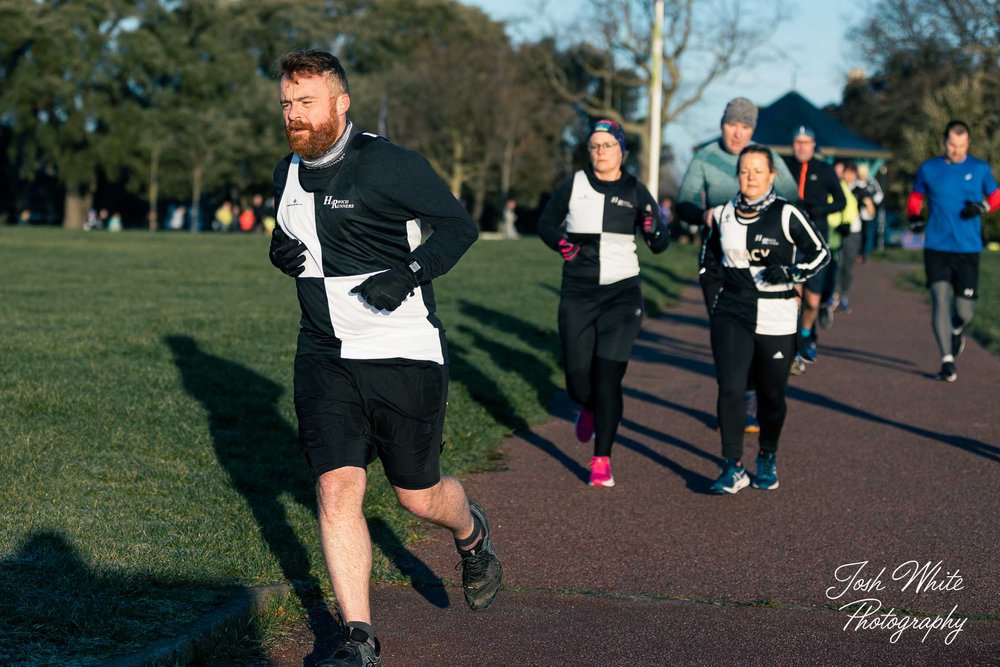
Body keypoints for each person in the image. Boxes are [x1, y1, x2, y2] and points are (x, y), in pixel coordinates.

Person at [266, 50, 500, 666]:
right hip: (324, 355)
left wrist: (407, 274)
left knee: (417, 496)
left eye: (305, 103)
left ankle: (471, 531)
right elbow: (292, 234)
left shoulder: (388, 165)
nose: (293, 115)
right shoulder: (285, 172)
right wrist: (278, 251)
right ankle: (359, 640)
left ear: (341, 104)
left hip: (402, 352)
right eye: (287, 103)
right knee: (336, 489)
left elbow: (457, 226)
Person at [538, 118, 670, 487]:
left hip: (622, 293)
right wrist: (562, 244)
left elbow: (660, 244)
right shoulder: (574, 184)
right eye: (594, 146)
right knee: (579, 383)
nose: (600, 152)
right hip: (578, 293)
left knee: (608, 377)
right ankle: (589, 406)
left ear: (622, 151)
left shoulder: (635, 189)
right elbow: (546, 224)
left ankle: (602, 459)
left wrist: (652, 225)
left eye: (607, 146)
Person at [699, 144, 829, 493]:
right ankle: (732, 466)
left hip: (777, 314)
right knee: (730, 388)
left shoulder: (788, 214)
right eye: (744, 170)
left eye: (758, 170)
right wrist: (714, 305)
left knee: (772, 396)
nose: (751, 177)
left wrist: (791, 272)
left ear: (772, 175)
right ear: (737, 175)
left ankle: (767, 455)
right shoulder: (723, 214)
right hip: (732, 312)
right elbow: (708, 263)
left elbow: (821, 253)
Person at [676, 97, 797, 432]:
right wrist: (704, 214)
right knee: (725, 331)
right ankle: (736, 397)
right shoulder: (705, 157)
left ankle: (754, 390)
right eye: (732, 124)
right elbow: (683, 203)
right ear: (722, 124)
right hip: (718, 261)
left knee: (760, 330)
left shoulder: (764, 157)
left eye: (745, 126)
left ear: (753, 130)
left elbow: (792, 199)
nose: (737, 133)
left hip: (762, 261)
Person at [907, 119, 1000, 382]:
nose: (956, 150)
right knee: (940, 300)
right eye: (951, 144)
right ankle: (947, 361)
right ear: (943, 142)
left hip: (968, 249)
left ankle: (957, 329)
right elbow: (915, 197)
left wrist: (981, 208)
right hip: (937, 246)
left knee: (964, 311)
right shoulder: (929, 169)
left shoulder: (979, 168)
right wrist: (914, 217)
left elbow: (996, 197)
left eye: (961, 145)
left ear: (968, 143)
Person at [783, 126, 845, 370]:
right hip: (790, 240)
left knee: (812, 300)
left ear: (813, 144)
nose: (801, 146)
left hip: (816, 240)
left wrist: (822, 209)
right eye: (797, 142)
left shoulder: (824, 169)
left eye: (806, 142)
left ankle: (808, 332)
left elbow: (840, 201)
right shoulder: (785, 167)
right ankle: (794, 342)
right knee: (794, 298)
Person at [856, 163, 884, 260]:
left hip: (869, 214)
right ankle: (858, 253)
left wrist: (871, 202)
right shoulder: (856, 184)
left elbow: (879, 196)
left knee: (867, 235)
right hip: (857, 215)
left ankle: (865, 254)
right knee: (858, 235)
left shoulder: (872, 183)